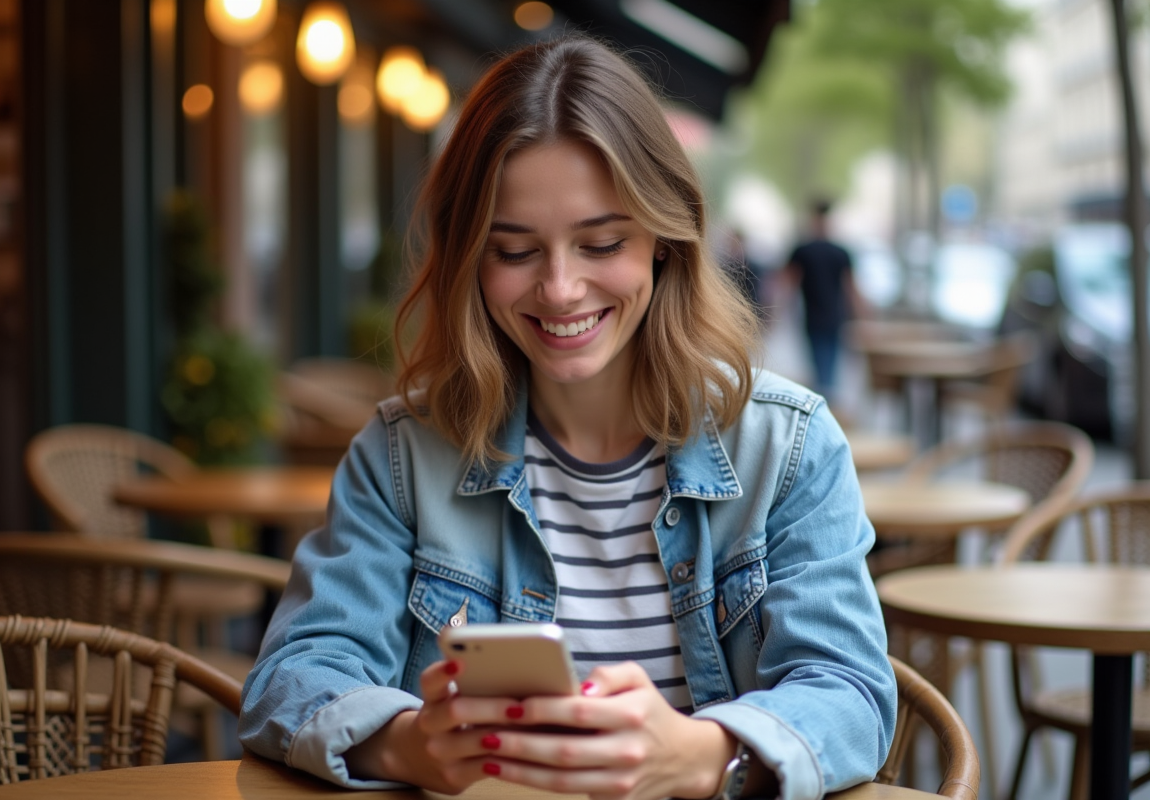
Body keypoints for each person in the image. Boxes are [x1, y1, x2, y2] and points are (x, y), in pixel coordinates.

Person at [239, 37, 895, 800]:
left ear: (664, 238)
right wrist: (410, 746)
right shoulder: (399, 458)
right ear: (469, 259)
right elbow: (291, 677)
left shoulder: (789, 447)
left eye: (601, 243)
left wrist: (701, 754)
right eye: (514, 251)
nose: (559, 289)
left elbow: (851, 692)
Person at [781, 200, 865, 399]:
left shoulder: (802, 250)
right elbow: (851, 289)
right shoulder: (840, 252)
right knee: (829, 364)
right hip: (834, 317)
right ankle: (827, 396)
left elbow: (789, 285)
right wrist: (862, 314)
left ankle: (825, 397)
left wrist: (778, 312)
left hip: (814, 317)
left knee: (820, 364)